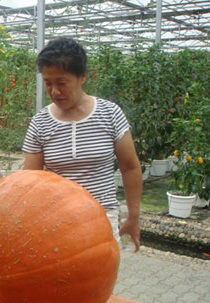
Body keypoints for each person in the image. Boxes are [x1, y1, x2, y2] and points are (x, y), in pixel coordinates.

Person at [22, 37, 142, 252]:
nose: (54, 91)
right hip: (55, 221)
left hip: (102, 217)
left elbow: (130, 166)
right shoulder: (40, 122)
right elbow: (29, 180)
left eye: (62, 83)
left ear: (82, 77)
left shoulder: (110, 113)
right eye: (48, 83)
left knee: (100, 282)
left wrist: (133, 216)